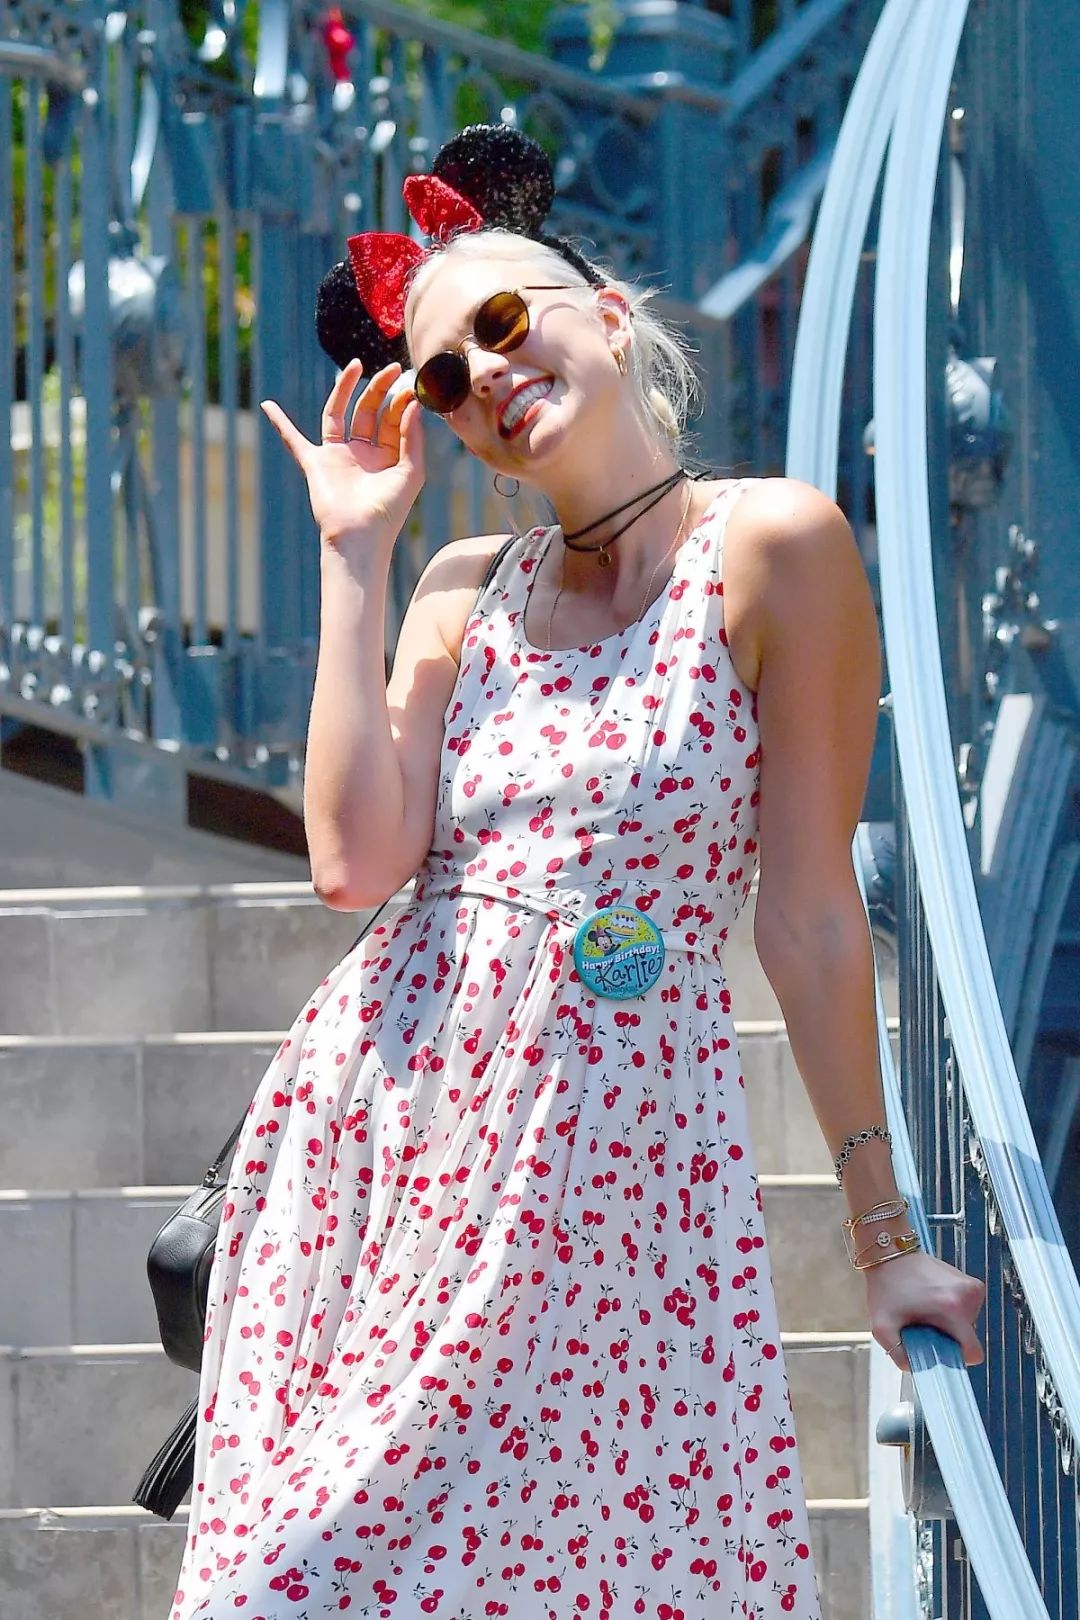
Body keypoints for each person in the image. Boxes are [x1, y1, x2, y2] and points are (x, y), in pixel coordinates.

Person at [169, 126, 986, 1620]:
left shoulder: (775, 545)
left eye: (502, 321)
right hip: (388, 1134)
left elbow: (810, 916)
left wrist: (884, 1244)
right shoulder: (459, 589)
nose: (484, 372)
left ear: (604, 314)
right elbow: (352, 864)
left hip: (617, 1161)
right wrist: (355, 556)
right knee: (284, 1582)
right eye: (442, 375)